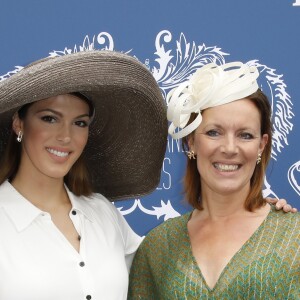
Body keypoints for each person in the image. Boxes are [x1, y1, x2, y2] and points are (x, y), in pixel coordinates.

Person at [0, 50, 168, 300]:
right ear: (19, 123)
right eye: (49, 118)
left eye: (79, 123)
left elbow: (158, 276)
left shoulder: (102, 212)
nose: (66, 137)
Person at [128, 62, 300, 299]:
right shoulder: (158, 247)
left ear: (261, 145)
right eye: (213, 132)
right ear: (191, 142)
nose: (229, 148)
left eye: (245, 135)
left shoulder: (294, 236)